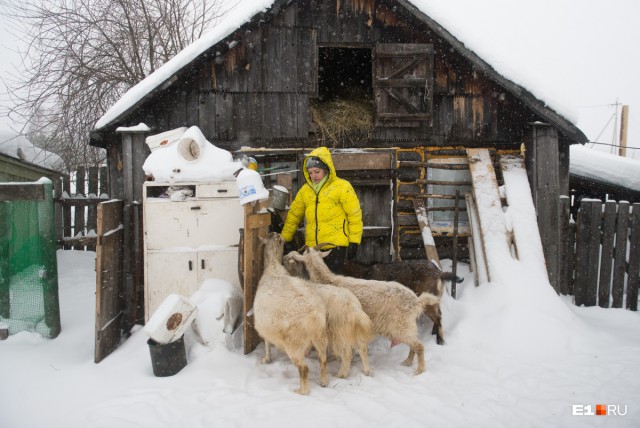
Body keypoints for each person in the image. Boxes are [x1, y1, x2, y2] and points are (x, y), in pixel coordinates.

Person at [281, 147, 363, 274]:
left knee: (332, 286)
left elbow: (354, 216)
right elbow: (293, 216)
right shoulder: (305, 191)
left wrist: (354, 241)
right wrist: (285, 239)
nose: (313, 176)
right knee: (315, 286)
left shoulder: (342, 187)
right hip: (312, 250)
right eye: (310, 172)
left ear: (326, 169)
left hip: (335, 248)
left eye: (317, 171)